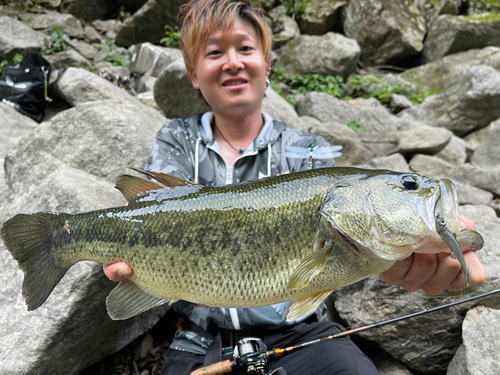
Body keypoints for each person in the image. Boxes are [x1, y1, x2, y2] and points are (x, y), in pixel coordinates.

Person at [104, 0, 487, 373]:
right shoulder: (175, 139)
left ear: (266, 65)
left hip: (305, 333)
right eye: (215, 52)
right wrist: (120, 248)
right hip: (200, 339)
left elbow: (349, 256)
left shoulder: (309, 151)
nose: (233, 62)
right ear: (193, 73)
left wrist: (402, 255)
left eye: (246, 49)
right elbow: (150, 210)